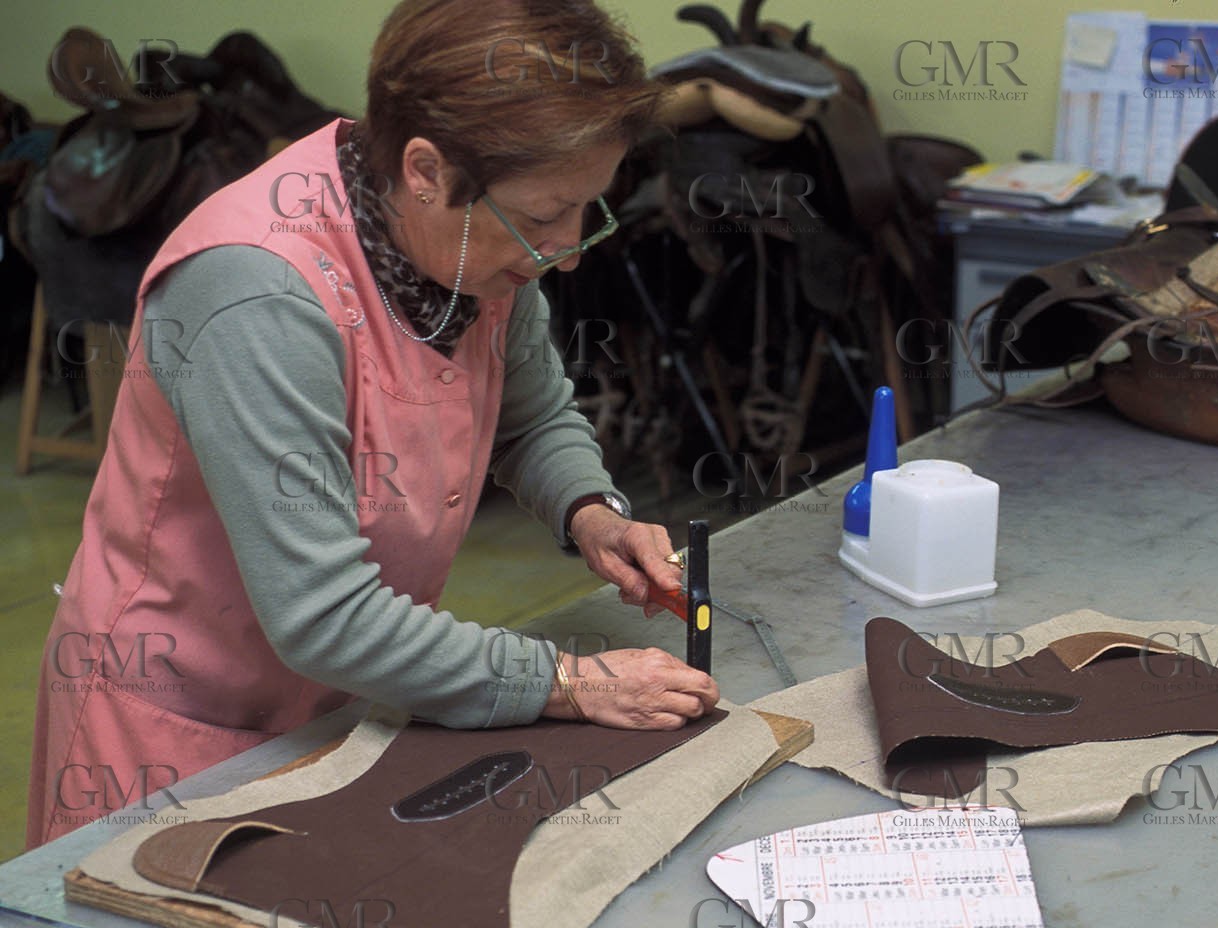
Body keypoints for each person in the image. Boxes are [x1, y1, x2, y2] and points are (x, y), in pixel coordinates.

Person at [26, 0, 719, 848]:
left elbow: (533, 415)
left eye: (587, 210)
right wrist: (571, 682)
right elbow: (325, 618)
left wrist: (591, 513)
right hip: (178, 728)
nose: (568, 252)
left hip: (340, 695)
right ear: (426, 169)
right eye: (544, 218)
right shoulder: (256, 292)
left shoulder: (474, 246)